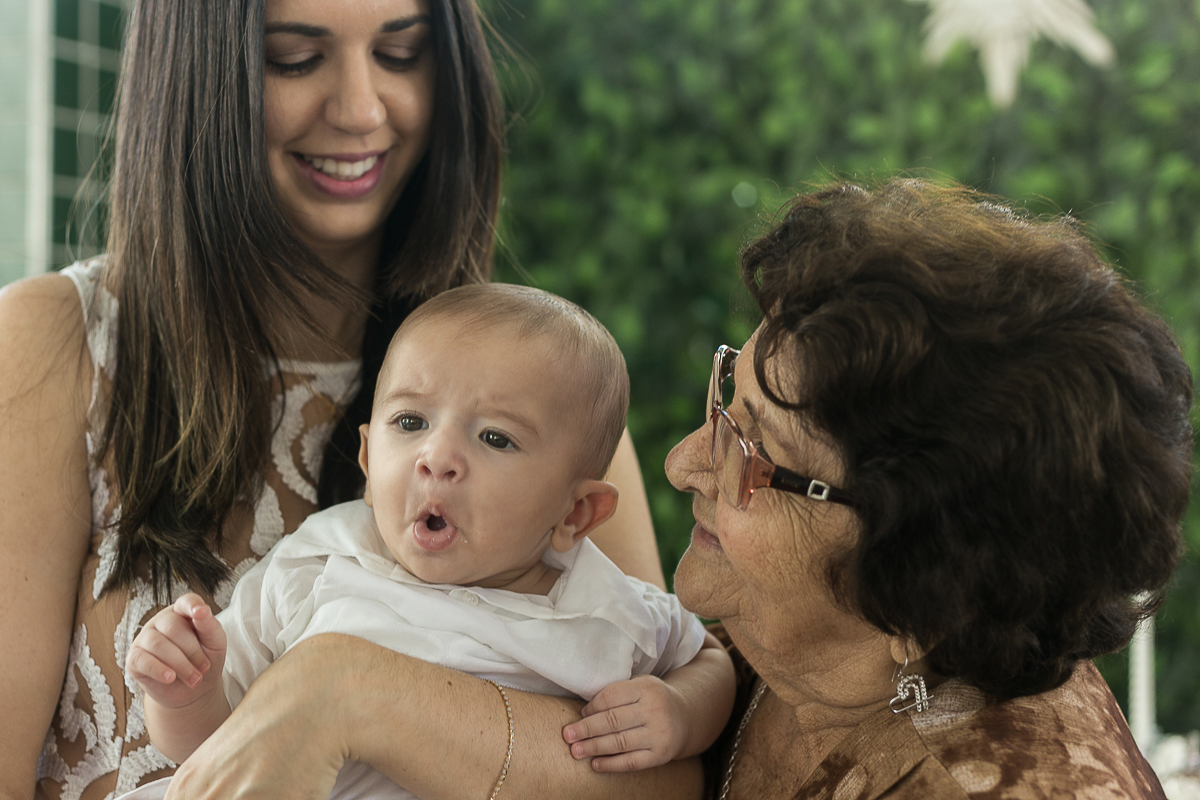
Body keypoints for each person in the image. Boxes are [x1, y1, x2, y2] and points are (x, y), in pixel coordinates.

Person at [1, 0, 696, 798]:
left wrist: (347, 695)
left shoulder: (548, 398)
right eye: (297, 58)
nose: (362, 109)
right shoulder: (51, 347)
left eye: (401, 54)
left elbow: (664, 779)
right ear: (195, 75)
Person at [662, 179, 1188, 798]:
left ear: (917, 593)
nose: (682, 464)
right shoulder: (781, 642)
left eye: (753, 456)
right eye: (728, 401)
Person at [123, 283, 733, 799]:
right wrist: (187, 695)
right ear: (366, 457)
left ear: (574, 512)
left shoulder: (606, 609)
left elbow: (710, 660)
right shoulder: (321, 562)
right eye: (410, 423)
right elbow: (216, 757)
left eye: (495, 438)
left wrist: (680, 714)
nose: (436, 457)